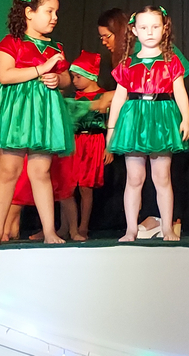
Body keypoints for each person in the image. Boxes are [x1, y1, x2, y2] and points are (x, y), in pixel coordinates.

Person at [0, 0, 75, 245]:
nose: (54, 17)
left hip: (43, 116)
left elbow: (67, 79)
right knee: (8, 170)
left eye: (56, 12)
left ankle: (50, 231)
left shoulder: (55, 47)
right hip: (18, 114)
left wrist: (58, 79)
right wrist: (41, 69)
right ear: (29, 13)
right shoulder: (12, 42)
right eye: (49, 11)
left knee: (41, 172)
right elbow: (5, 75)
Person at [106, 6, 189, 242]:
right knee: (134, 178)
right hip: (134, 121)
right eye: (143, 27)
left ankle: (167, 228)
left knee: (162, 178)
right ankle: (131, 229)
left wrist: (185, 118)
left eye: (155, 26)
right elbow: (119, 97)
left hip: (162, 120)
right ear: (134, 30)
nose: (150, 32)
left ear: (164, 29)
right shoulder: (127, 63)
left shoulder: (171, 61)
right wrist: (111, 128)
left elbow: (180, 91)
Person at [66, 51, 111, 240]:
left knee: (86, 186)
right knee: (67, 186)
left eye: (78, 76)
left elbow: (111, 123)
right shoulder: (73, 99)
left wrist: (109, 148)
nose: (74, 81)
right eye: (73, 77)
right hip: (74, 141)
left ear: (91, 75)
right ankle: (65, 227)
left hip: (93, 141)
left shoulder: (104, 97)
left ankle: (83, 226)